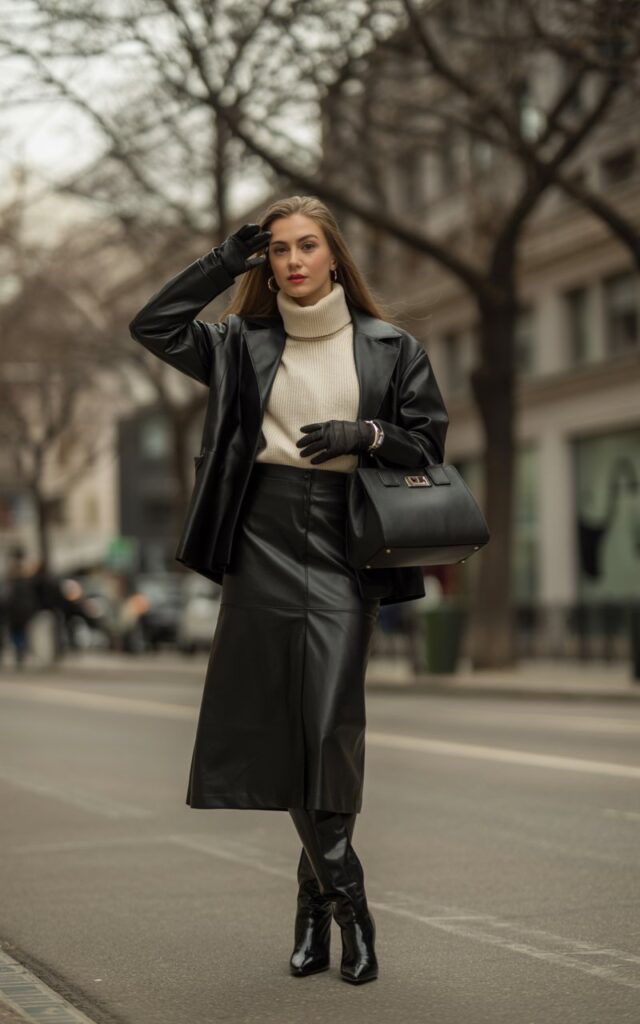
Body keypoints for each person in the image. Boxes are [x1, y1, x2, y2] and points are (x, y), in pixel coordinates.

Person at [129, 195, 448, 985]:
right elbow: (154, 326)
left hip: (345, 540)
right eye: (277, 250)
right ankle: (338, 907)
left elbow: (429, 440)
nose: (294, 260)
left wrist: (366, 434)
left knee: (327, 722)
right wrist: (221, 260)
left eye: (307, 246)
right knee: (283, 728)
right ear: (265, 262)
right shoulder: (240, 342)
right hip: (262, 536)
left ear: (334, 255)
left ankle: (331, 903)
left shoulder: (390, 344)